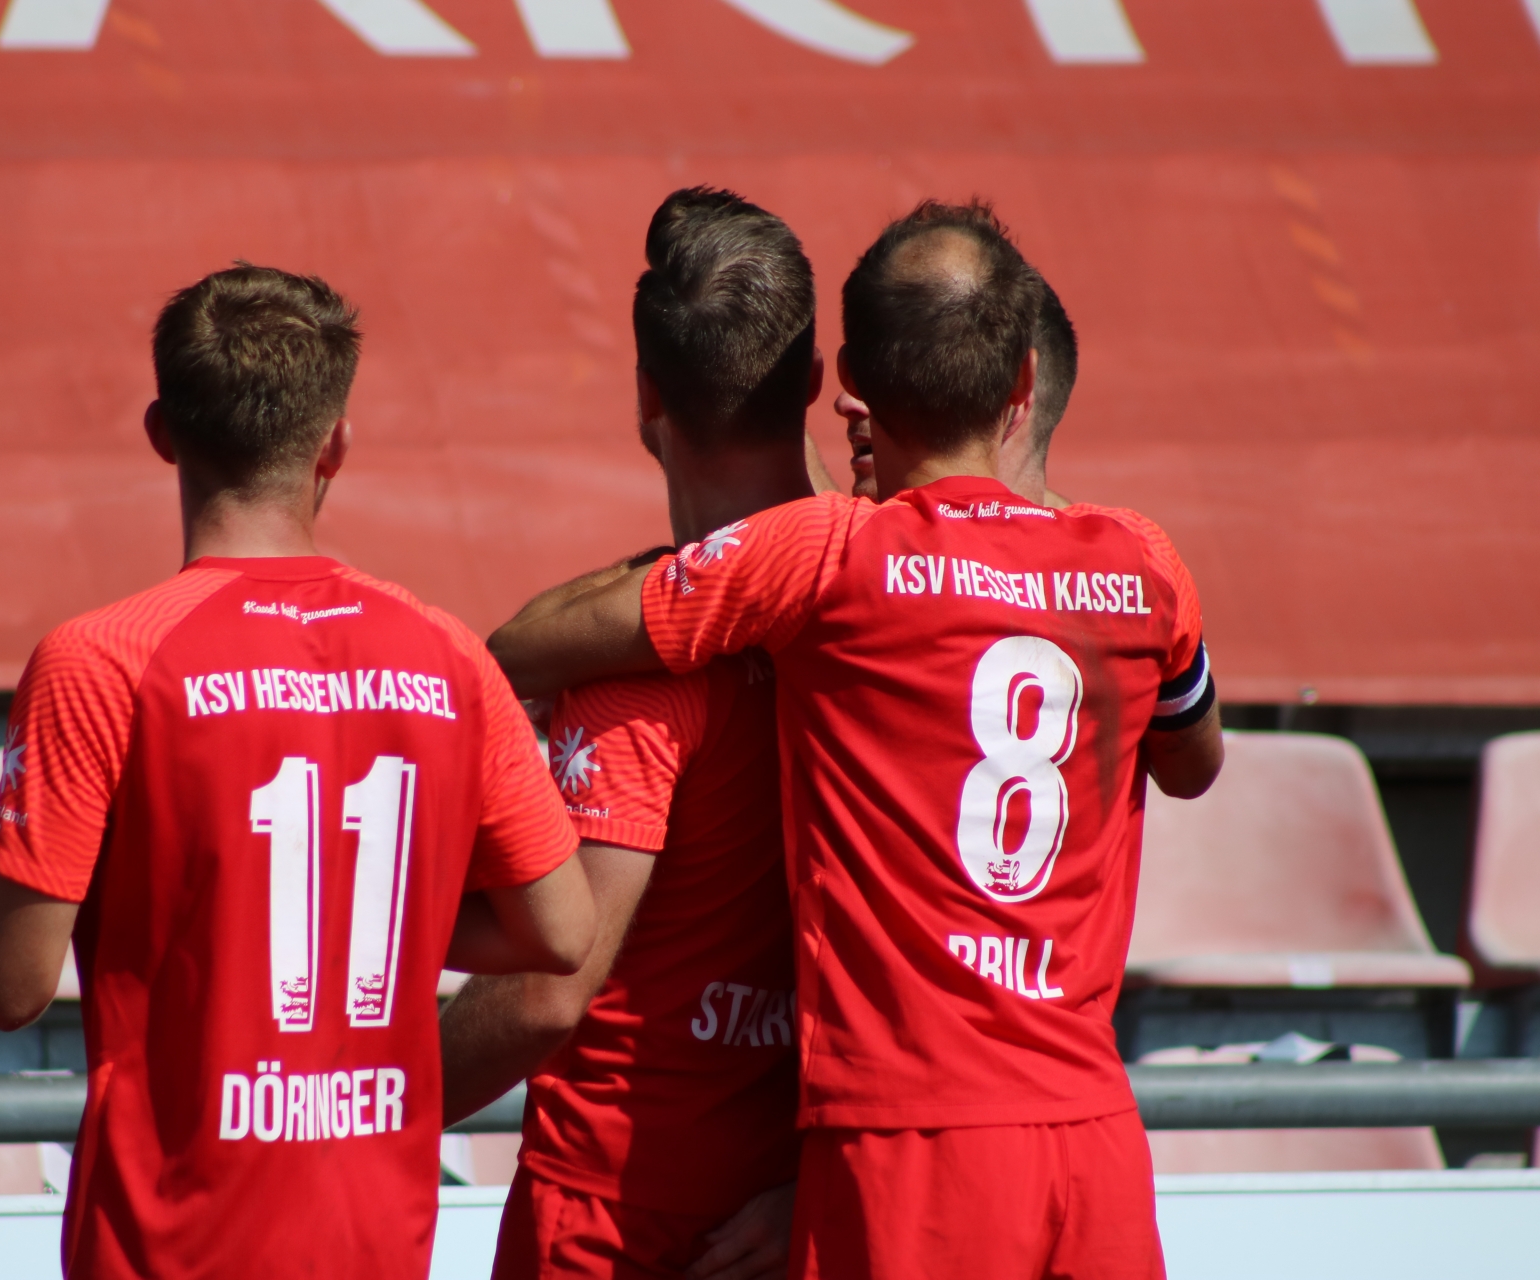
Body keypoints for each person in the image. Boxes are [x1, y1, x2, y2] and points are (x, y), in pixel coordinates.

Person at [488, 200, 1224, 1279]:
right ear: (1023, 382)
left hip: (907, 1143)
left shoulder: (826, 556)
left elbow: (523, 646)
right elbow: (1196, 762)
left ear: (854, 394)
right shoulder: (1141, 558)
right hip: (1093, 1134)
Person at [0, 264, 596, 1280]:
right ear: (336, 443)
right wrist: (372, 910)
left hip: (167, 1248)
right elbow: (561, 931)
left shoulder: (101, 660)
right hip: (375, 1242)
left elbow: (12, 992)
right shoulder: (447, 652)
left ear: (163, 432)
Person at [439, 188, 816, 1280]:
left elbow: (547, 993)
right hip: (818, 1199)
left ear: (646, 396)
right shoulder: (896, 616)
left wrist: (361, 1099)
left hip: (614, 1223)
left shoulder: (634, 676)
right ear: (815, 382)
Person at [839, 277, 1076, 507]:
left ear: (1013, 391)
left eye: (900, 374)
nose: (847, 401)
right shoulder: (1091, 530)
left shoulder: (838, 528)